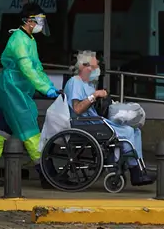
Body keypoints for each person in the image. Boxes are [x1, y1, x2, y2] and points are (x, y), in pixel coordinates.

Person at [0, 2, 59, 187]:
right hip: (13, 90)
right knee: (30, 130)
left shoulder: (29, 38)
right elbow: (27, 69)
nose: (41, 24)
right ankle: (47, 175)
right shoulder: (19, 40)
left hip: (15, 90)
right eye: (39, 20)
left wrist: (50, 86)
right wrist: (45, 89)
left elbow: (37, 67)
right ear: (29, 21)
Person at [63, 50, 156, 187]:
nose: (97, 70)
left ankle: (139, 168)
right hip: (84, 124)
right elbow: (77, 109)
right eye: (94, 67)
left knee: (135, 131)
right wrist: (94, 95)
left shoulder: (86, 84)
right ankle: (134, 171)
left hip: (94, 121)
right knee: (127, 132)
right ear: (83, 66)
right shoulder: (74, 82)